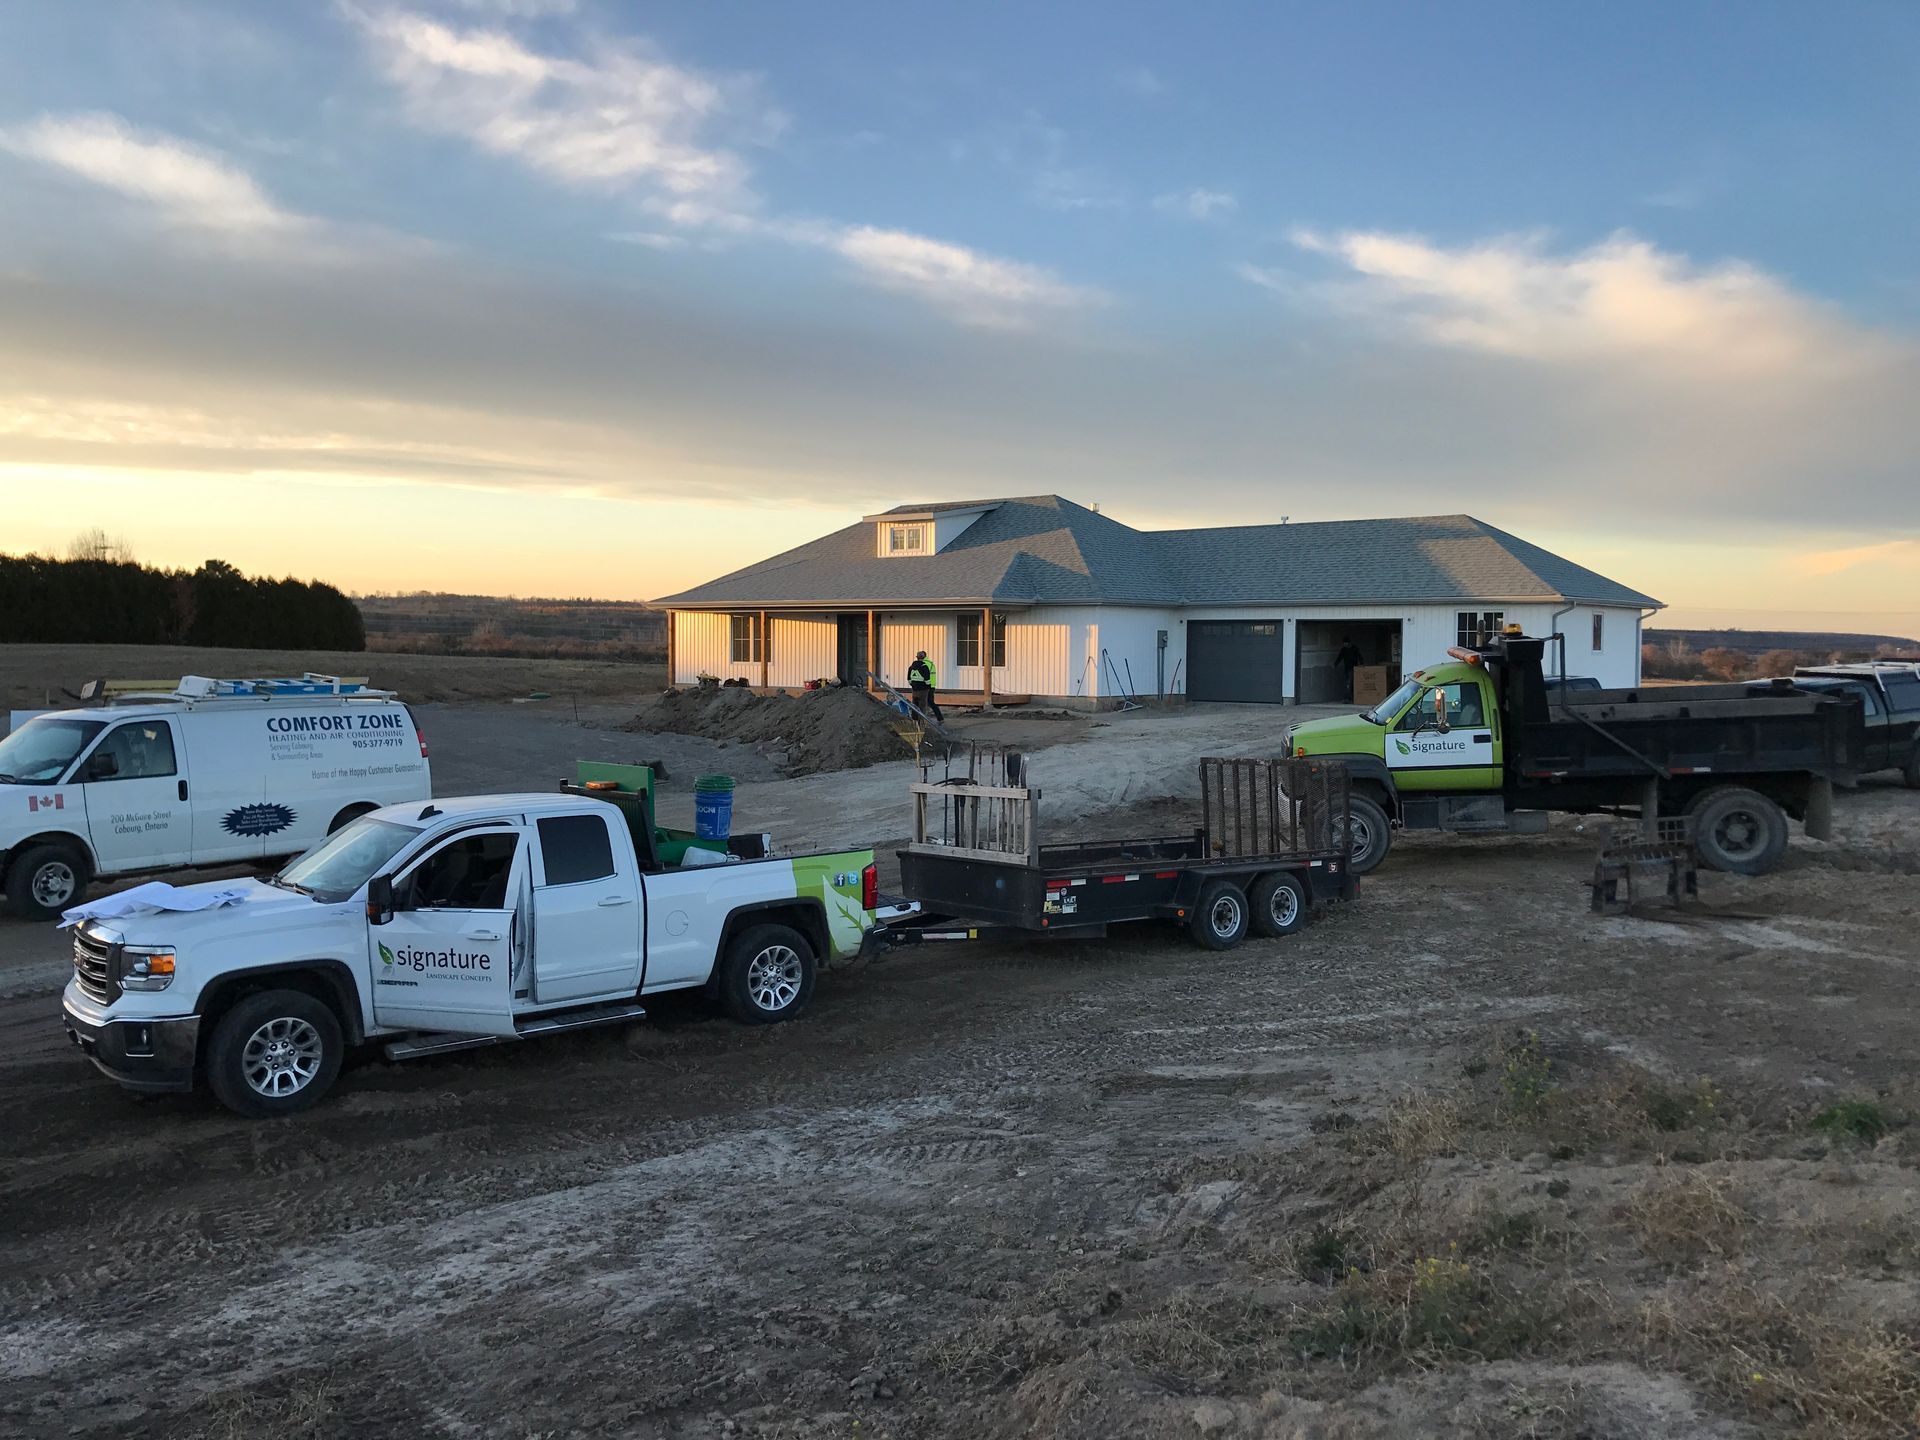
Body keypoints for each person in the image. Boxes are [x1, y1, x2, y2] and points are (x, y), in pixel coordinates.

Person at [907, 649, 944, 722]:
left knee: (921, 703)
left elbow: (921, 676)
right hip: (930, 686)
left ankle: (918, 720)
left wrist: (914, 685)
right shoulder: (929, 663)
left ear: (917, 657)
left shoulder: (922, 664)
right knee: (930, 702)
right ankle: (939, 718)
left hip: (924, 687)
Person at [1334, 636, 1364, 703]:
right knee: (1347, 683)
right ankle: (1349, 697)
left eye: (1345, 643)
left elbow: (1359, 656)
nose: (1344, 644)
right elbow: (1340, 657)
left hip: (1353, 667)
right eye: (1344, 643)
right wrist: (1336, 664)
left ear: (1349, 643)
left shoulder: (1354, 648)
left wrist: (1361, 663)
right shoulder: (1344, 649)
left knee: (1350, 682)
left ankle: (1349, 698)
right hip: (1346, 668)